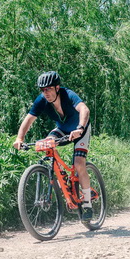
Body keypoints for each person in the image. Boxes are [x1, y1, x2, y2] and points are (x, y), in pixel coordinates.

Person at [13, 71, 93, 222]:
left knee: (78, 164)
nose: (46, 93)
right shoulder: (42, 100)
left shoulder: (68, 94)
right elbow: (29, 119)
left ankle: (88, 204)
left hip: (80, 129)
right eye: (43, 90)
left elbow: (84, 109)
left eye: (49, 89)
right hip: (62, 129)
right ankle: (60, 179)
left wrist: (80, 127)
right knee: (46, 144)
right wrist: (19, 138)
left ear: (57, 88)